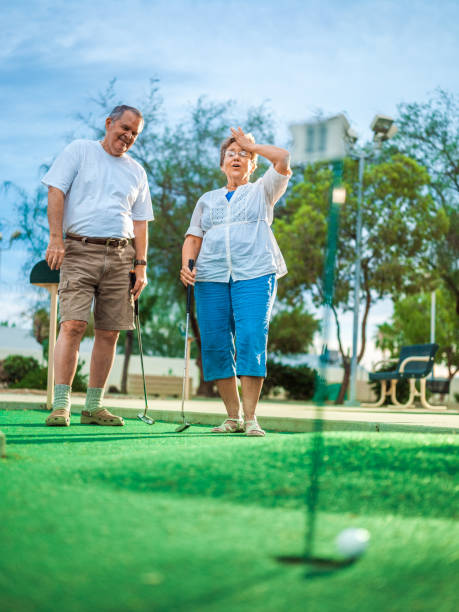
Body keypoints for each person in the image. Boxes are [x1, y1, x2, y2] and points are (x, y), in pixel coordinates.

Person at [42, 105, 153, 427]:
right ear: (109, 123)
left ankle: (93, 407)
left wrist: (141, 265)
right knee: (73, 325)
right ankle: (61, 405)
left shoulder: (136, 171)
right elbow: (56, 191)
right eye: (125, 128)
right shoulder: (80, 150)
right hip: (78, 249)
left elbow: (141, 222)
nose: (129, 137)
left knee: (109, 332)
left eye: (135, 133)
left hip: (121, 257)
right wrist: (56, 239)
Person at [181, 127, 291, 437]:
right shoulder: (208, 199)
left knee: (250, 336)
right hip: (211, 277)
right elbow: (193, 237)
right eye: (231, 154)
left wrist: (249, 144)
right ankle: (232, 417)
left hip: (255, 272)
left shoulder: (261, 190)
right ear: (221, 164)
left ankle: (252, 417)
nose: (237, 158)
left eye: (244, 155)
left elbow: (283, 158)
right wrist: (185, 264)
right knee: (215, 344)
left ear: (254, 165)